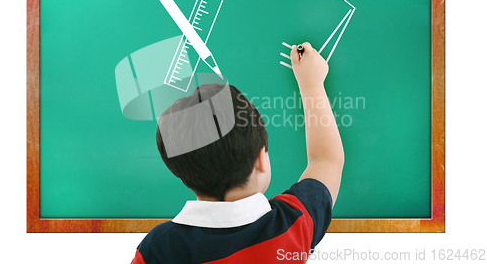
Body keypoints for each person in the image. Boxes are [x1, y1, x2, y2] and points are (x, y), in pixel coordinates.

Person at [132, 42, 344, 264]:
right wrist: (311, 83)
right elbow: (326, 160)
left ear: (184, 174)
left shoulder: (159, 248)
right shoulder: (291, 225)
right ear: (260, 160)